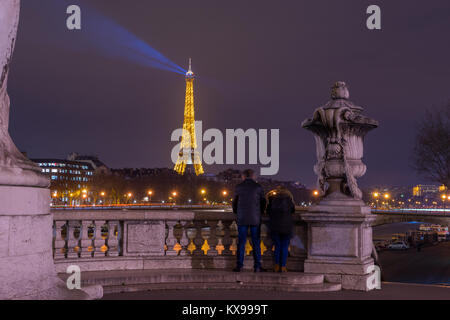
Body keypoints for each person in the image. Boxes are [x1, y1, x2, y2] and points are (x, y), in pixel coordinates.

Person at [232, 169, 266, 272]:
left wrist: (237, 212)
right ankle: (257, 266)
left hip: (242, 218)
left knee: (241, 243)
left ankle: (239, 265)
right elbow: (263, 202)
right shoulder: (258, 187)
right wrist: (260, 212)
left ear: (243, 176)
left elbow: (235, 203)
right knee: (256, 242)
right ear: (253, 176)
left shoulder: (239, 187)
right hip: (255, 218)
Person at [266, 186, 295, 272]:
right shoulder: (289, 200)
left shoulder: (272, 199)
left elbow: (268, 211)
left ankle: (276, 266)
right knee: (285, 247)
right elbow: (293, 211)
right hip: (286, 227)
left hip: (275, 226)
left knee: (277, 246)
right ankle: (283, 266)